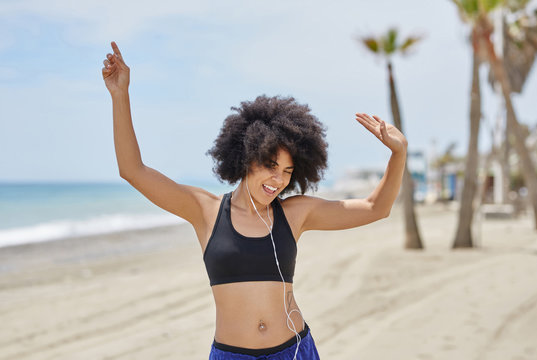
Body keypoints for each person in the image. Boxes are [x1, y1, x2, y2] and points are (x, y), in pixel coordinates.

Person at [101, 41, 408, 360]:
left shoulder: (296, 213)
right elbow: (132, 170)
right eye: (271, 166)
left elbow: (377, 208)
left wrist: (398, 153)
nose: (279, 179)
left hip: (293, 351)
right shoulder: (205, 211)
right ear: (248, 156)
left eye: (288, 171)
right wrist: (119, 95)